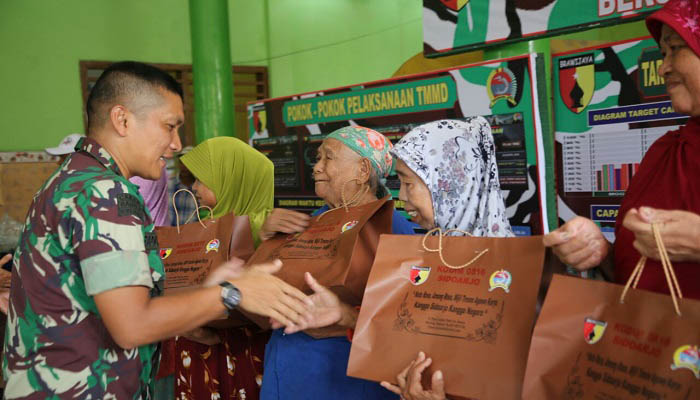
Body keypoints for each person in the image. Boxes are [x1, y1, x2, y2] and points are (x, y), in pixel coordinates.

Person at [1, 61, 311, 399]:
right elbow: (132, 325)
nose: (177, 143)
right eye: (169, 126)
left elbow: (110, 297)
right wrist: (231, 293)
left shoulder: (69, 181)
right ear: (122, 120)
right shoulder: (105, 192)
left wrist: (198, 299)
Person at [324, 118, 511, 400]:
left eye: (409, 183)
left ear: (450, 183)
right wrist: (345, 315)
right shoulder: (428, 254)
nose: (401, 196)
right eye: (400, 182)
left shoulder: (514, 270)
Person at [544, 0, 700, 301]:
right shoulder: (665, 151)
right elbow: (637, 273)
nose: (665, 67)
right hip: (644, 342)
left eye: (676, 47)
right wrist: (600, 251)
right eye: (662, 52)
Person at [260, 126, 417, 400]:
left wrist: (344, 316)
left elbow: (404, 325)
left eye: (328, 158)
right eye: (317, 158)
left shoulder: (393, 228)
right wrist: (266, 239)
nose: (316, 167)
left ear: (363, 171)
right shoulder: (311, 220)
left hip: (344, 381)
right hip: (285, 371)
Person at [166, 136, 276, 400]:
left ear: (230, 180)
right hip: (197, 348)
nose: (193, 188)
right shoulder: (202, 226)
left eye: (202, 180)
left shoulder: (268, 231)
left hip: (241, 349)